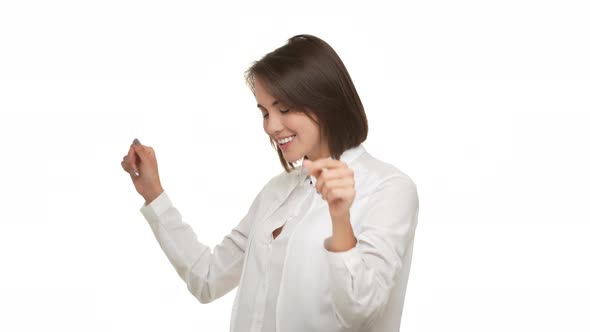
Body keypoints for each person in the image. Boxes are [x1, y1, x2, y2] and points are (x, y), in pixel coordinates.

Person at [121, 34, 419, 332]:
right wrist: (153, 193)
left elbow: (363, 314)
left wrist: (340, 218)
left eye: (284, 109)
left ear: (325, 100)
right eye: (264, 112)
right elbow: (208, 279)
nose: (271, 126)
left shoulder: (388, 189)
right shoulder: (278, 191)